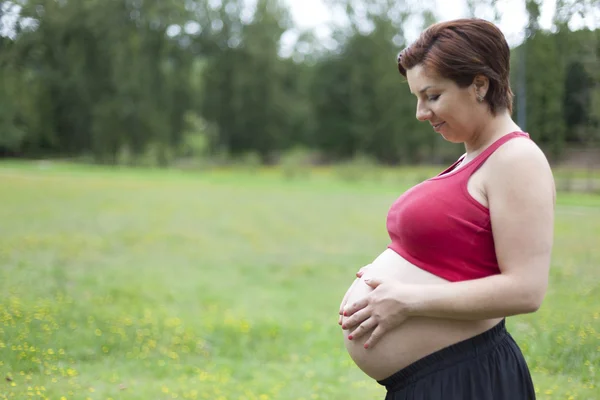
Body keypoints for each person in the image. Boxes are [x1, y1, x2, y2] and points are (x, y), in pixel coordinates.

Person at [337, 18, 555, 399]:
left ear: (479, 85)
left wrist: (407, 300)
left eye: (432, 96)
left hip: (467, 379)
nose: (422, 113)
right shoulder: (474, 157)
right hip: (435, 379)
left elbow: (527, 289)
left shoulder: (517, 160)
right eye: (417, 99)